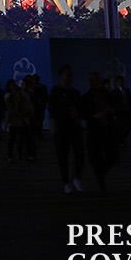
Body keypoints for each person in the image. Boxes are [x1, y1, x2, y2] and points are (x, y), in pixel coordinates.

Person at [46, 65, 86, 194]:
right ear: (61, 76)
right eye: (67, 75)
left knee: (80, 153)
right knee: (62, 156)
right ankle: (66, 183)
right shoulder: (55, 92)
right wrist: (53, 125)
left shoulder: (75, 93)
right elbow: (52, 110)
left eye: (71, 74)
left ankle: (77, 177)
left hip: (74, 127)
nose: (70, 77)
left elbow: (80, 108)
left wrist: (79, 118)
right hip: (61, 128)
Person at [82, 71, 117, 194]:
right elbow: (84, 113)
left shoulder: (108, 94)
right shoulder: (86, 97)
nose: (94, 82)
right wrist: (94, 116)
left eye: (96, 79)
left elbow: (116, 107)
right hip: (94, 130)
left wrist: (110, 111)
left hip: (108, 129)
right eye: (92, 80)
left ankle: (100, 174)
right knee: (95, 158)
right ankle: (101, 180)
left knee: (112, 156)